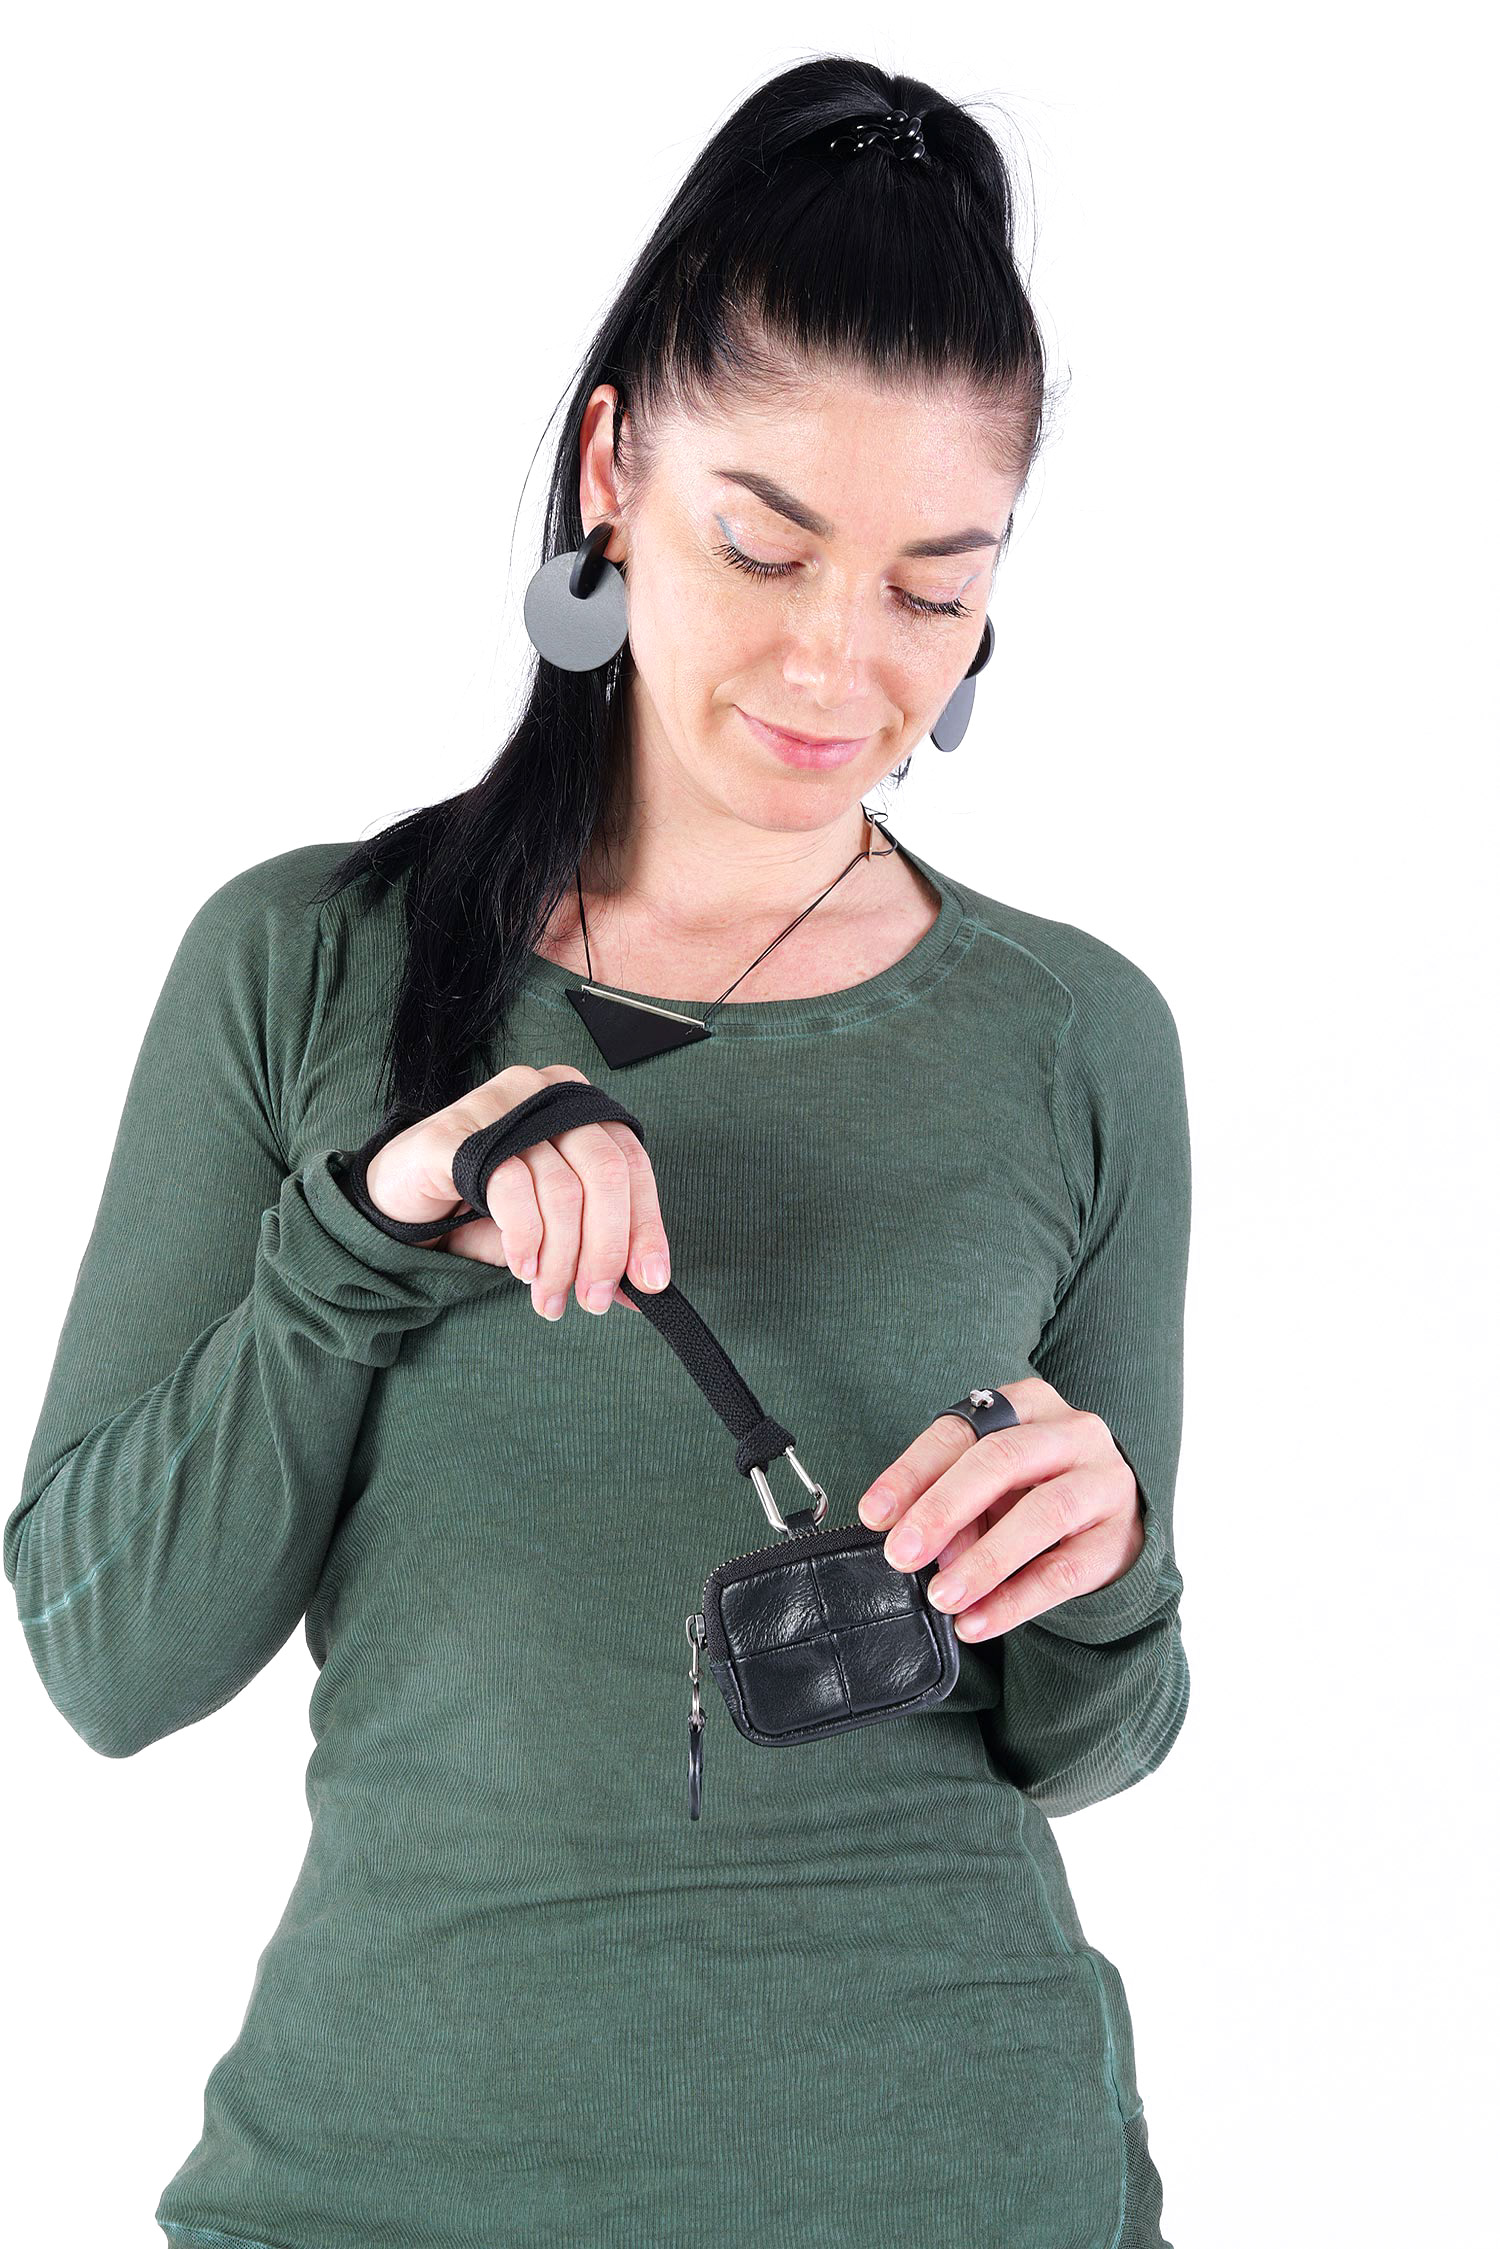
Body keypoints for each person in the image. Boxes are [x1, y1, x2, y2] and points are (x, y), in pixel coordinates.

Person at [6, 55, 1192, 2249]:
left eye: (932, 589)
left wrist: (1104, 1559)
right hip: (381, 2194)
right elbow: (107, 1655)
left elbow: (1090, 1740)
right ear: (613, 468)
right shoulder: (308, 964)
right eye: (766, 544)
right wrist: (363, 1237)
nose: (839, 664)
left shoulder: (1073, 1037)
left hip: (966, 2180)